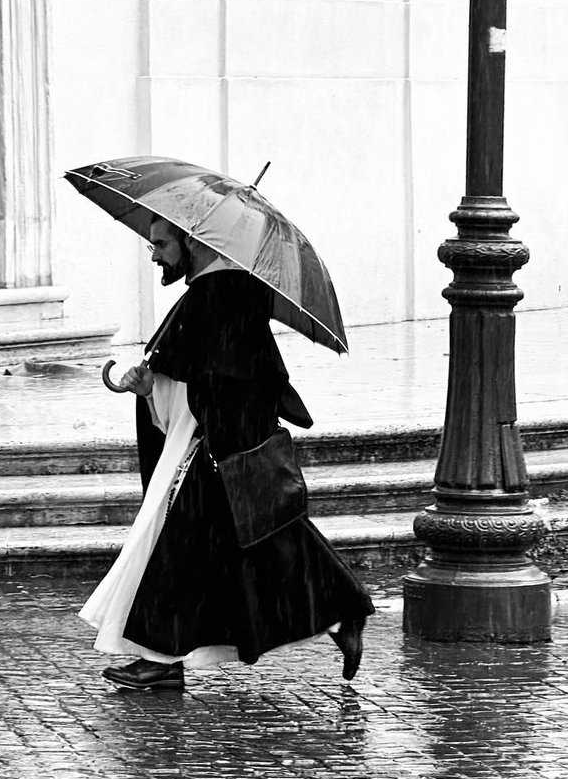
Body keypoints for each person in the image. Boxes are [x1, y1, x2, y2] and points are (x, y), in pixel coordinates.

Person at [79, 216, 374, 691]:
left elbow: (215, 382)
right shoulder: (220, 291)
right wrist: (152, 386)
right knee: (259, 543)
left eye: (161, 244)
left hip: (221, 447)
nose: (154, 254)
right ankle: (341, 611)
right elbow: (199, 376)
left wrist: (153, 387)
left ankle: (162, 659)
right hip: (221, 443)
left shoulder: (217, 295)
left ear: (192, 242)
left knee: (184, 548)